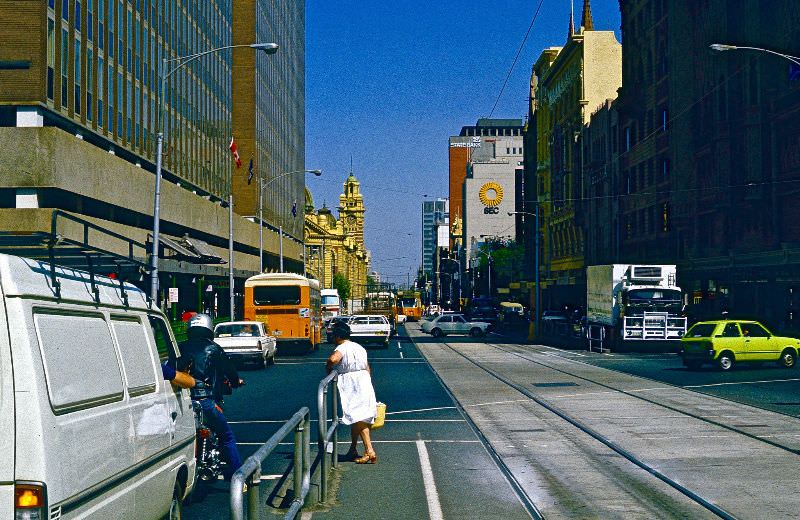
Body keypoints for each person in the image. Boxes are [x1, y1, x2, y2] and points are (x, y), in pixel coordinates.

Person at [178, 313, 244, 479]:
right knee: (226, 436)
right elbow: (230, 371)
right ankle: (239, 477)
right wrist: (236, 382)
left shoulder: (180, 347)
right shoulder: (213, 349)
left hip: (182, 401)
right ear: (208, 329)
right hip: (205, 400)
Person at [325, 321, 378, 464]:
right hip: (364, 380)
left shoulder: (342, 347)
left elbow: (333, 359)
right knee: (359, 416)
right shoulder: (359, 347)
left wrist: (328, 369)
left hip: (352, 383)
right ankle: (353, 449)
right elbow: (367, 366)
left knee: (358, 417)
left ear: (337, 336)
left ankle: (369, 450)